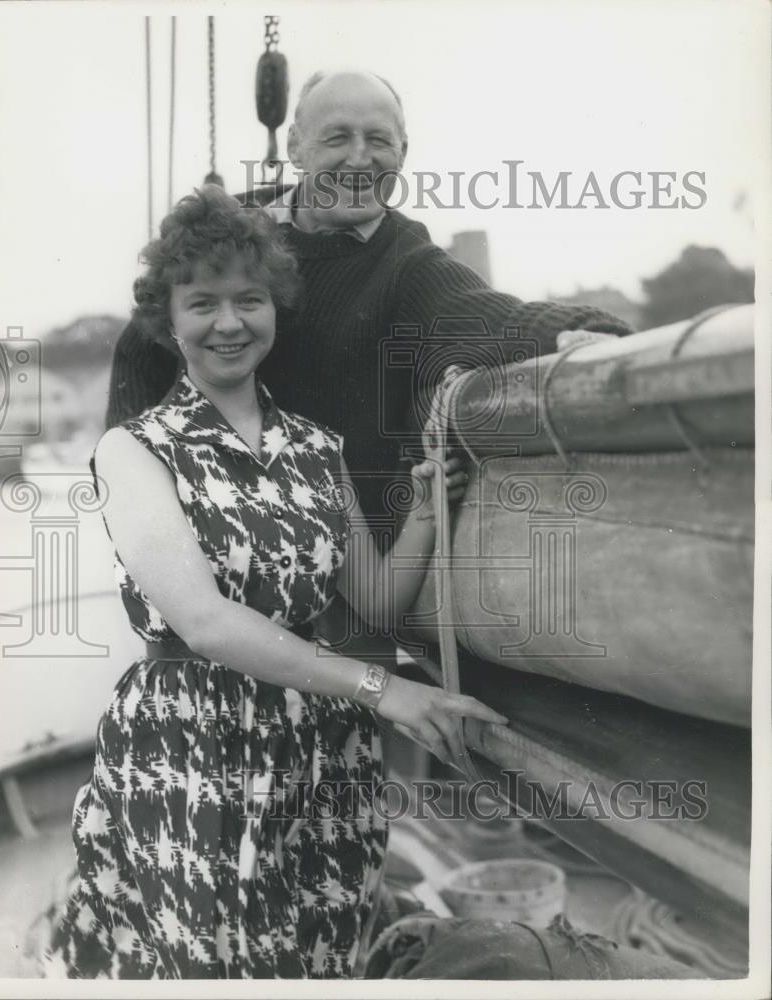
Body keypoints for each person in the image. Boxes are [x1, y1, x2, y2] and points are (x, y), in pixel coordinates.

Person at [43, 187, 505, 979]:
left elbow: (375, 601)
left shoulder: (314, 448)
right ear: (168, 319)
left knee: (315, 960)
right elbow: (204, 623)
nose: (229, 322)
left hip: (322, 757)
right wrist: (388, 691)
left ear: (276, 309)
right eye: (203, 303)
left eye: (249, 299)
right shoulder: (134, 449)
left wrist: (427, 508)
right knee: (206, 964)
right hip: (193, 749)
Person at [106, 70, 634, 541]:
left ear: (402, 152)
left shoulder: (404, 259)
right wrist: (138, 490)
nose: (360, 158)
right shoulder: (238, 227)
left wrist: (583, 329)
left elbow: (489, 314)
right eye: (337, 137)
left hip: (335, 550)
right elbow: (140, 348)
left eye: (378, 140)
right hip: (212, 525)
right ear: (295, 147)